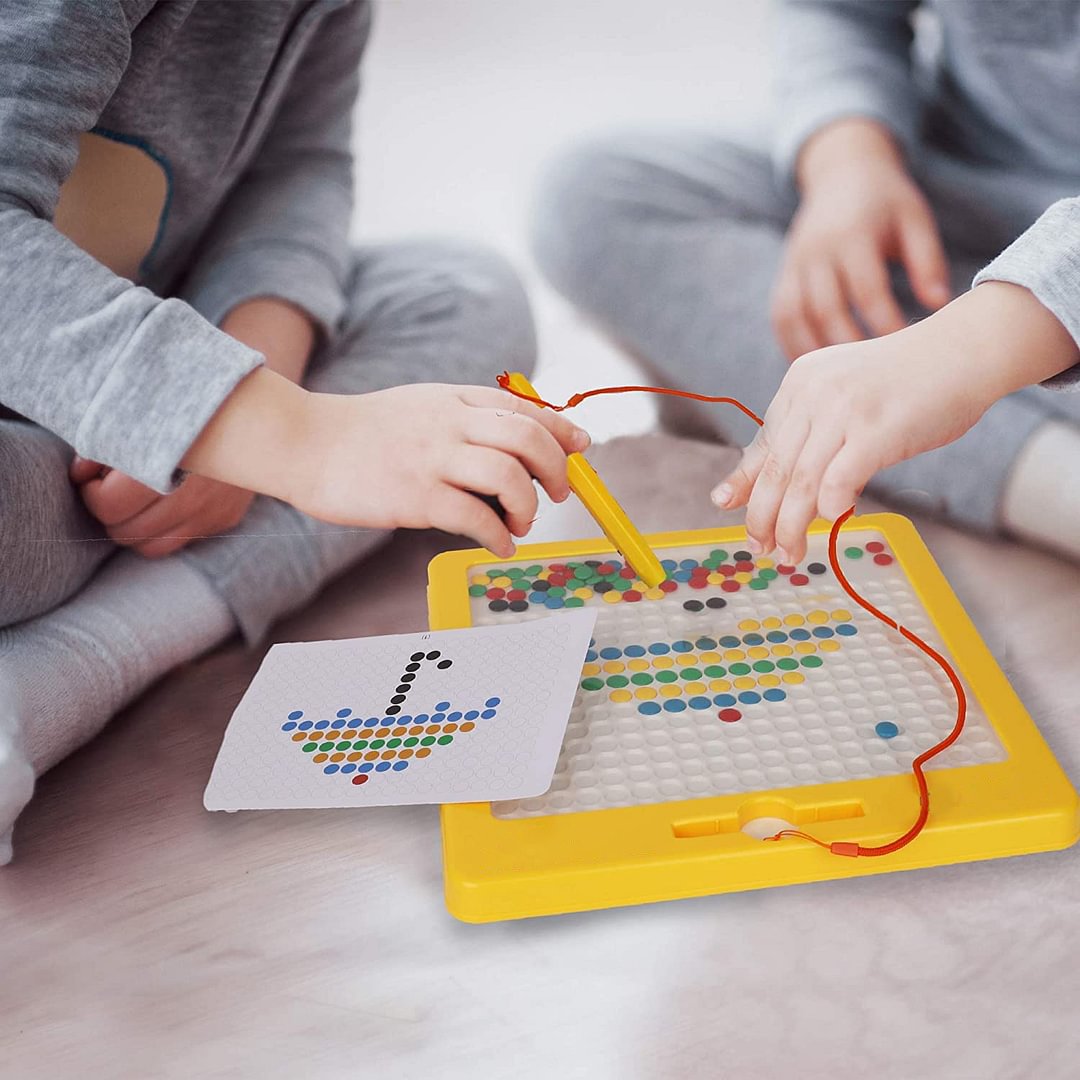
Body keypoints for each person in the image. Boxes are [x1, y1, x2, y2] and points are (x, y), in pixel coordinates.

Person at [0, 0, 587, 861]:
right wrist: (294, 440)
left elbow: (298, 165)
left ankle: (52, 671)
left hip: (133, 396)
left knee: (460, 292)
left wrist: (253, 374)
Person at [534, 0, 1080, 565]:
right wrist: (848, 160)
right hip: (944, 192)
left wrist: (971, 346)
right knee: (596, 195)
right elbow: (840, 11)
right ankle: (1028, 464)